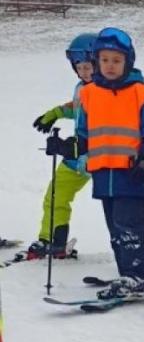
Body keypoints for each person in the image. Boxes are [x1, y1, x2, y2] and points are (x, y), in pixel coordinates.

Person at [76, 27, 144, 299]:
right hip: (104, 172)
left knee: (130, 224)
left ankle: (139, 275)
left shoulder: (143, 94)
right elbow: (84, 133)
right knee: (116, 226)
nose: (110, 66)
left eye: (116, 60)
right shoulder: (89, 94)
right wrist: (72, 149)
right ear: (96, 62)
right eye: (104, 60)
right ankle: (130, 271)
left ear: (128, 61)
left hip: (133, 171)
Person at [29, 32, 97, 258]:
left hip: (102, 158)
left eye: (88, 66)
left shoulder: (107, 91)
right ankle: (52, 241)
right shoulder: (81, 88)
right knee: (56, 194)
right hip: (78, 157)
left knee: (121, 208)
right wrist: (56, 113)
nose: (84, 72)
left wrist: (74, 146)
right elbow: (77, 107)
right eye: (79, 67)